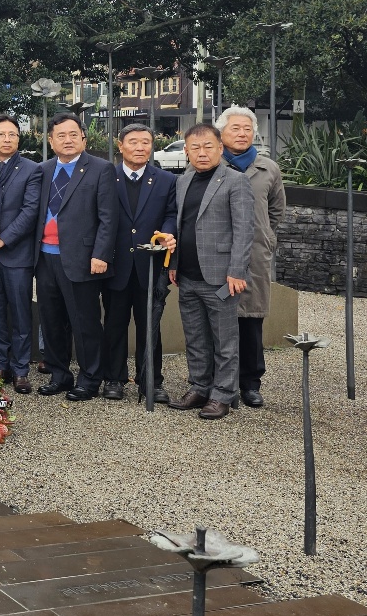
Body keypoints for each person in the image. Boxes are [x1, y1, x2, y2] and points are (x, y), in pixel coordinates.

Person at [168, 123, 255, 420]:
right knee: (195, 336)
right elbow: (181, 225)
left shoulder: (235, 181)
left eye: (208, 147)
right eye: (195, 147)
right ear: (186, 151)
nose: (202, 153)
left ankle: (223, 394)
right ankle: (200, 386)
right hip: (187, 275)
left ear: (220, 148)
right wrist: (175, 263)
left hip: (221, 276)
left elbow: (245, 230)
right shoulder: (183, 180)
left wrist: (237, 270)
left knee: (225, 339)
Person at [32, 113, 118, 401]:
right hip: (45, 257)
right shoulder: (43, 170)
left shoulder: (101, 169)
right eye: (61, 136)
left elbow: (108, 217)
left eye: (73, 134)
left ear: (83, 137)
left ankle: (90, 378)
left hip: (83, 258)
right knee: (52, 320)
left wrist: (101, 254)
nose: (67, 140)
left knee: (85, 322)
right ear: (50, 140)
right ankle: (60, 374)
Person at [102, 124, 178, 404]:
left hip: (149, 264)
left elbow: (171, 214)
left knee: (150, 326)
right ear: (120, 146)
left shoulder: (166, 180)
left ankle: (151, 381)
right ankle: (114, 378)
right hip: (116, 263)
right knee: (114, 323)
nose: (139, 147)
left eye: (145, 142)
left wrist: (167, 232)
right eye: (133, 142)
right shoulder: (106, 176)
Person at [216, 105, 286, 408]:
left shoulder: (268, 168)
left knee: (250, 319)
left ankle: (251, 382)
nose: (242, 133)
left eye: (247, 128)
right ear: (221, 132)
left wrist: (266, 237)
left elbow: (276, 210)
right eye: (235, 128)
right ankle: (219, 380)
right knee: (217, 318)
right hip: (217, 252)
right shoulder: (209, 164)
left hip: (255, 253)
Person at [0, 114, 42, 395]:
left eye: (13, 134)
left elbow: (30, 211)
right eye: (1, 134)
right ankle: (0, 363)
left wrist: (3, 240)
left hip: (16, 253)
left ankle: (20, 369)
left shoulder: (31, 169)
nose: (8, 139)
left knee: (20, 312)